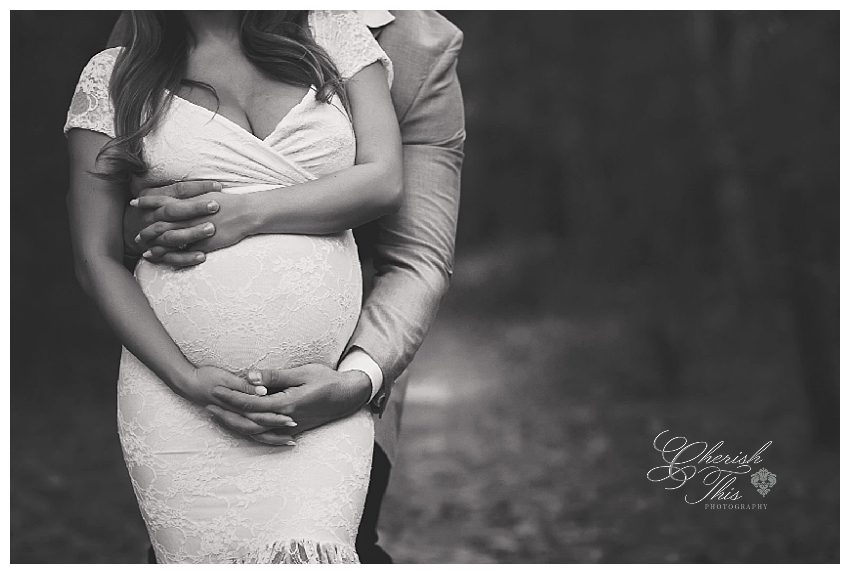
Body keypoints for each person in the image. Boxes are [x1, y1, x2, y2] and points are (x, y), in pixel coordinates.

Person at [107, 10, 465, 563]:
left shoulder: (420, 45)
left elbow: (417, 258)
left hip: (344, 369)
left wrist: (358, 380)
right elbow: (127, 159)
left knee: (337, 545)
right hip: (179, 387)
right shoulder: (163, 21)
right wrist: (146, 222)